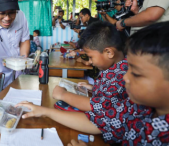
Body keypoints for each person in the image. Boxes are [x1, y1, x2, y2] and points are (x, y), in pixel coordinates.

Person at [16, 21, 169, 145]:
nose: (125, 78)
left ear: (109, 52)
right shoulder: (140, 106)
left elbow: (98, 118)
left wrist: (59, 99)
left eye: (136, 73)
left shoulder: (160, 135)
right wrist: (45, 111)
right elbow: (101, 121)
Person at [53, 21, 128, 112]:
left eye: (91, 57)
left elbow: (100, 106)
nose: (90, 61)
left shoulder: (122, 75)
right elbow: (110, 94)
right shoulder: (114, 67)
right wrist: (93, 87)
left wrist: (63, 94)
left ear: (109, 52)